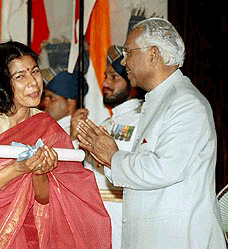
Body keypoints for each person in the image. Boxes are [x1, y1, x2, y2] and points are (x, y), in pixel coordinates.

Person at [0, 41, 111, 249]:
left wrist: (40, 172)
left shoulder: (46, 126)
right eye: (20, 77)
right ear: (2, 82)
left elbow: (44, 200)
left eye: (34, 72)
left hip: (26, 234)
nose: (33, 82)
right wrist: (17, 169)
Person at [77, 18, 227, 248]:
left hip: (179, 240)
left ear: (153, 54)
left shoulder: (185, 103)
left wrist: (113, 157)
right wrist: (105, 157)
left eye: (128, 52)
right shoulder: (159, 101)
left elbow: (164, 169)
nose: (125, 61)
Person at [86, 45, 145, 249]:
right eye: (105, 76)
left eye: (114, 77)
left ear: (132, 83)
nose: (105, 83)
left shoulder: (141, 122)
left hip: (124, 220)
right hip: (97, 222)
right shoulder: (106, 124)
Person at [41, 69, 89, 142]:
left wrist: (73, 139)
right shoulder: (46, 128)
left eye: (51, 98)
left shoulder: (77, 134)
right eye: (44, 98)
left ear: (70, 103)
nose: (44, 102)